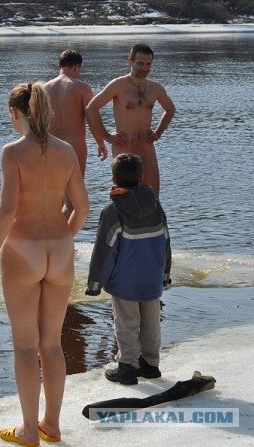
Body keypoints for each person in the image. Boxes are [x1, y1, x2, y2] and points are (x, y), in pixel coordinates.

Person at [0, 82, 89, 447]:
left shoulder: (12, 152)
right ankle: (51, 425)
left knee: (26, 347)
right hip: (59, 250)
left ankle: (29, 430)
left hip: (23, 250)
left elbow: (7, 211)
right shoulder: (66, 150)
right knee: (52, 344)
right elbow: (82, 208)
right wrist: (64, 237)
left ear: (15, 113)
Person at [86, 153, 171, 385]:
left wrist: (95, 283)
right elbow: (165, 241)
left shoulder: (113, 211)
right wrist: (165, 274)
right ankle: (150, 364)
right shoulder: (156, 206)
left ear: (113, 178)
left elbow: (104, 251)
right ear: (141, 177)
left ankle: (127, 367)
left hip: (125, 281)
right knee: (151, 321)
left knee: (127, 322)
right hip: (152, 279)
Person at [86, 43, 176, 197]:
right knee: (124, 198)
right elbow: (91, 108)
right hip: (124, 148)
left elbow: (170, 109)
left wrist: (158, 133)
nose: (144, 68)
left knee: (152, 197)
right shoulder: (118, 85)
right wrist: (106, 136)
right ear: (130, 61)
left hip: (146, 148)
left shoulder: (155, 88)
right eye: (140, 63)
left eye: (148, 64)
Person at [43, 50, 95, 218]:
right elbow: (92, 118)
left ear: (59, 66)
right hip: (74, 146)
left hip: (50, 146)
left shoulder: (44, 89)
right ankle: (64, 234)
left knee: (53, 199)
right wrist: (102, 142)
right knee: (72, 202)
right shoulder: (82, 87)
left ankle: (50, 232)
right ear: (76, 67)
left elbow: (38, 122)